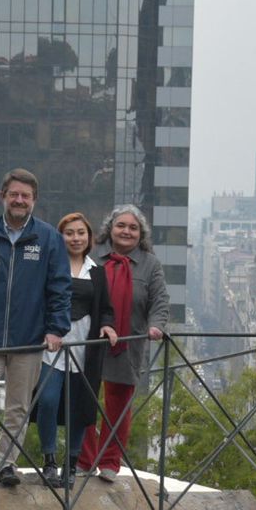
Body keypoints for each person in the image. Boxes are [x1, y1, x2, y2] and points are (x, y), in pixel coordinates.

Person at [0, 167, 71, 488]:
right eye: (14, 195)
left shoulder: (49, 238)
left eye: (26, 196)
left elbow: (60, 287)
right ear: (2, 196)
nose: (19, 200)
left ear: (34, 200)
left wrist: (56, 329)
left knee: (18, 405)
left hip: (29, 338)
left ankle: (7, 463)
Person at [76, 205, 169, 481]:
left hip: (128, 342)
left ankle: (109, 462)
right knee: (84, 400)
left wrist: (156, 326)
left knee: (118, 405)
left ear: (141, 234)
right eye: (121, 225)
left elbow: (160, 300)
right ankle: (84, 459)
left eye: (133, 227)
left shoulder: (150, 264)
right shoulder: (92, 258)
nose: (126, 231)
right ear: (110, 229)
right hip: (90, 341)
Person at [31, 212, 116, 487]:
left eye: (81, 233)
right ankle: (49, 461)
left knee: (80, 407)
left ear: (89, 238)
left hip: (84, 349)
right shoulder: (49, 267)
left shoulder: (97, 272)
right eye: (69, 233)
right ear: (60, 237)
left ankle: (71, 463)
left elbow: (106, 308)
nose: (75, 238)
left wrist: (108, 326)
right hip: (52, 347)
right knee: (47, 400)